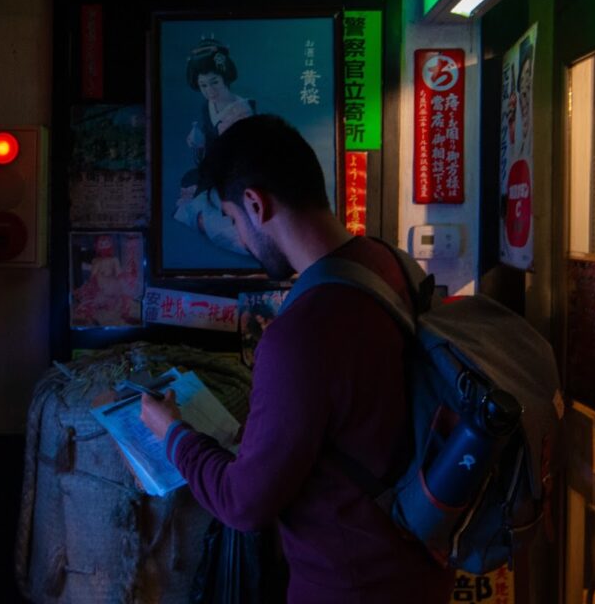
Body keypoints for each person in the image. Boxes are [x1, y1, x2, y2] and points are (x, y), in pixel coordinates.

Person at [141, 114, 453, 603]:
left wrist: (172, 433)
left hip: (348, 588)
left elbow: (243, 504)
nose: (240, 239)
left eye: (232, 219)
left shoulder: (299, 335)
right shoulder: (388, 263)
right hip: (421, 571)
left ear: (254, 203)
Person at [174, 37, 255, 254]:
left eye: (214, 82)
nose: (210, 90)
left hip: (237, 172)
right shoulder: (208, 104)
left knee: (221, 204)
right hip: (215, 167)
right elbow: (209, 144)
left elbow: (241, 155)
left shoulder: (241, 111)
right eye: (203, 85)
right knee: (190, 184)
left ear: (226, 78)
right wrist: (198, 140)